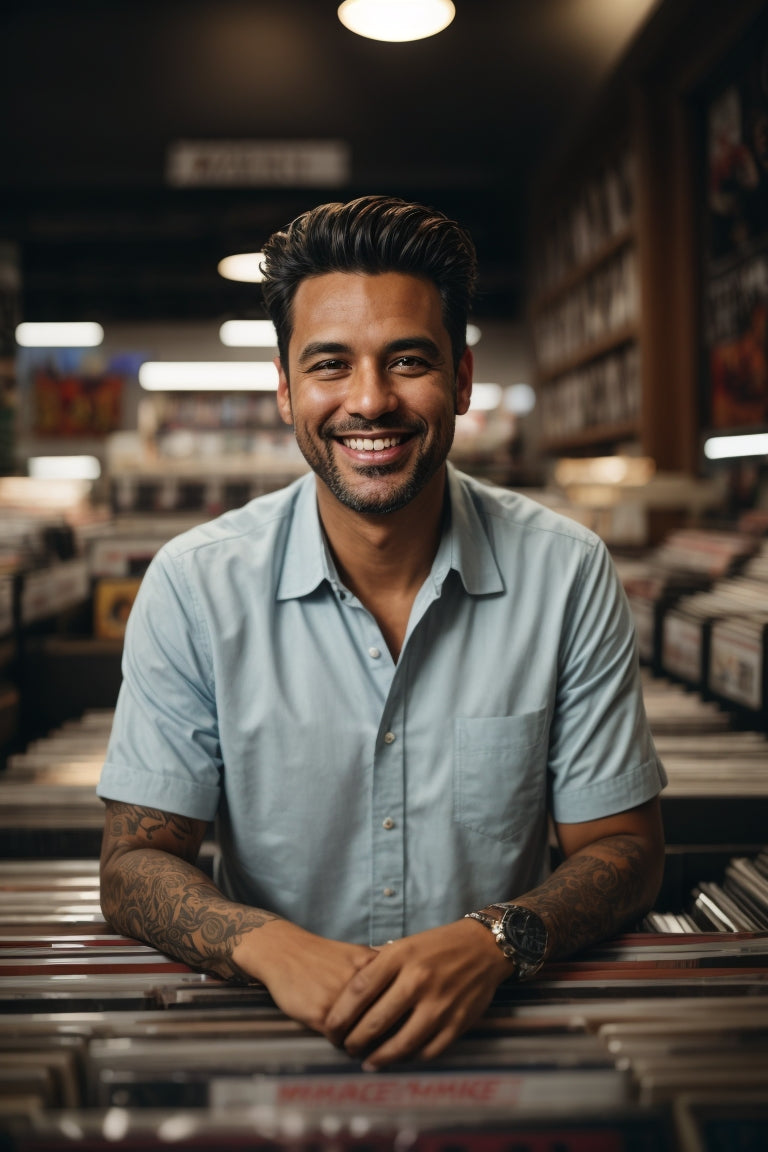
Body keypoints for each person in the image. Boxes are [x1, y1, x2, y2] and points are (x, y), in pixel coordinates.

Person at [98, 195, 666, 1071]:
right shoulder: (194, 584)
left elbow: (625, 847)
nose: (370, 401)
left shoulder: (567, 572)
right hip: (263, 1041)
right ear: (286, 389)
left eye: (408, 360)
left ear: (463, 379)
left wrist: (497, 940)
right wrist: (274, 948)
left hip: (504, 1044)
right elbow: (134, 862)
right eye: (330, 364)